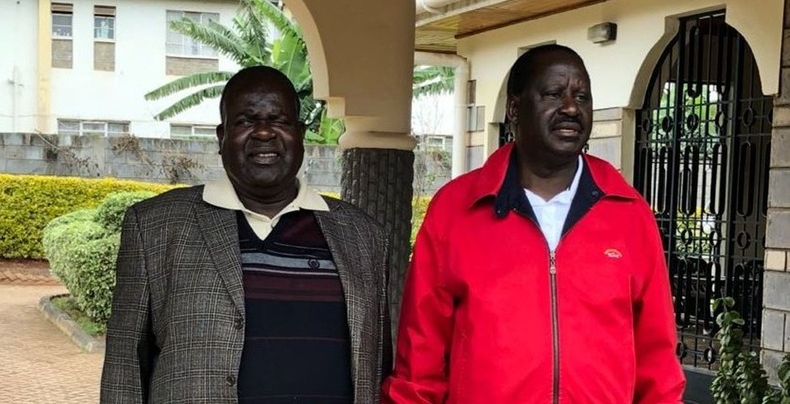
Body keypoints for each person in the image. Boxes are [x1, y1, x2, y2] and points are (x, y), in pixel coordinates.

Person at [382, 44, 685, 403]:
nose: (571, 108)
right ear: (514, 108)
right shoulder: (455, 210)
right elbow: (420, 358)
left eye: (582, 96)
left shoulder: (628, 213)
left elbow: (658, 360)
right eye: (554, 94)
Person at [101, 66, 391, 403]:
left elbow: (378, 363)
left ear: (300, 134)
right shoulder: (154, 226)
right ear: (221, 137)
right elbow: (125, 367)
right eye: (246, 121)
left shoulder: (363, 236)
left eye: (279, 121)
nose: (264, 133)